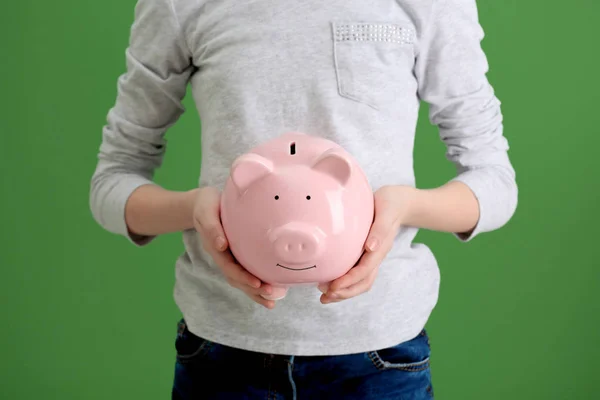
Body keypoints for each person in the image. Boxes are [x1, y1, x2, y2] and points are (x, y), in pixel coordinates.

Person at [90, 0, 518, 398]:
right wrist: (194, 210)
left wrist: (403, 206)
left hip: (378, 360)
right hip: (222, 354)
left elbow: (496, 182)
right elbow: (111, 181)